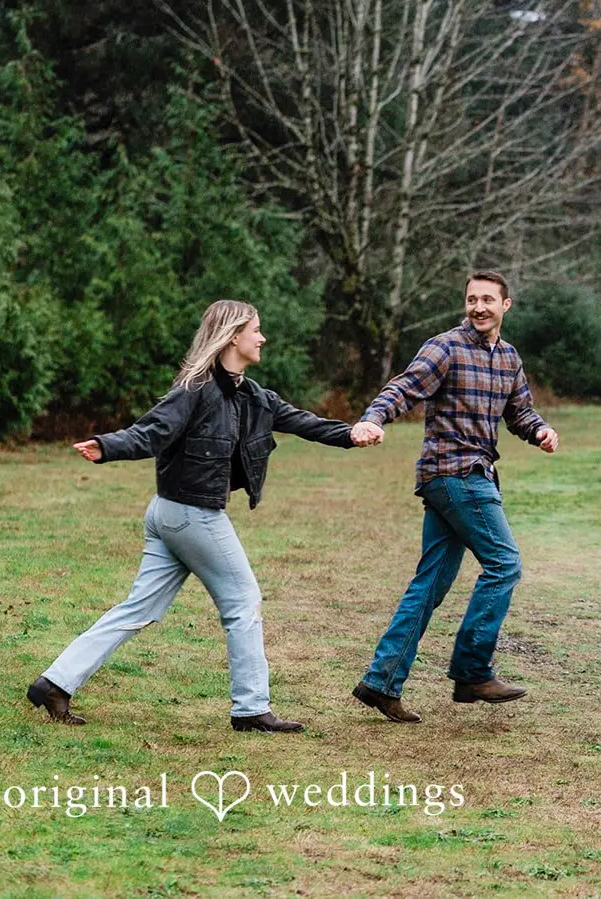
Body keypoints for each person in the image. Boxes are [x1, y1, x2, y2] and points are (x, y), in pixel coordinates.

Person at [27, 300, 379, 732]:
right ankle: (251, 709)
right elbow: (152, 431)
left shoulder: (252, 396)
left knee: (139, 608)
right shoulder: (195, 390)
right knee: (243, 602)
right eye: (257, 330)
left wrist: (351, 433)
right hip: (191, 515)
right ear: (234, 336)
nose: (262, 338)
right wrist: (108, 446)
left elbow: (303, 422)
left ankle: (55, 683)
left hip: (169, 513)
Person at [350, 271, 558, 723]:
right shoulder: (445, 347)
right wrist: (374, 418)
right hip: (456, 475)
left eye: (487, 299)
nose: (478, 307)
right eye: (471, 299)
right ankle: (472, 670)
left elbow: (519, 410)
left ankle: (381, 681)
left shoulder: (508, 357)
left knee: (430, 584)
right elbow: (404, 387)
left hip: (468, 475)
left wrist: (539, 429)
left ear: (507, 305)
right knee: (504, 565)